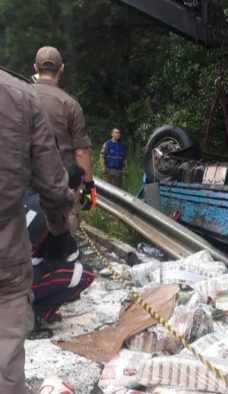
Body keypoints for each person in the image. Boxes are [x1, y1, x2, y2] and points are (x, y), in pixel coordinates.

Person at [0, 67, 73, 394]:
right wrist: (59, 230)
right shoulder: (20, 95)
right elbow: (54, 187)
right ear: (60, 69)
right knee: (5, 355)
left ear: (35, 67)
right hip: (5, 249)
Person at [33, 46, 96, 235]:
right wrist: (89, 186)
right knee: (64, 233)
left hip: (25, 179)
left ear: (35, 68)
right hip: (63, 183)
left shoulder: (20, 95)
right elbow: (81, 152)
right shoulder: (70, 104)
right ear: (61, 69)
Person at [26, 164, 95, 325]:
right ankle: (35, 317)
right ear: (73, 191)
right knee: (85, 274)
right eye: (79, 189)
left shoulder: (27, 194)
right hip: (17, 281)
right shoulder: (56, 213)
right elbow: (72, 257)